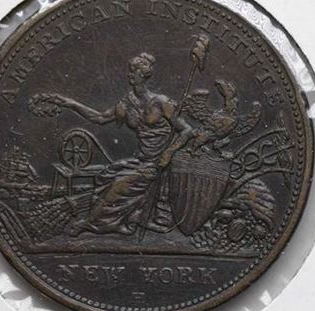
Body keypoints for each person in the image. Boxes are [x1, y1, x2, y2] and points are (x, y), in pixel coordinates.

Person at [37, 51, 196, 236]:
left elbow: (187, 130)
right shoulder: (126, 103)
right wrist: (70, 103)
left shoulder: (160, 102)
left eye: (134, 70)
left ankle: (90, 223)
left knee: (119, 184)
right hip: (143, 160)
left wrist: (168, 153)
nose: (130, 74)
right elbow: (100, 118)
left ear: (144, 74)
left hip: (160, 164)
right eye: (130, 70)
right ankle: (120, 221)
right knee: (106, 175)